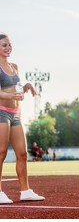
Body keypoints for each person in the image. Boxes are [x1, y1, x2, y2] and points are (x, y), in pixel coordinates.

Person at [0, 33, 45, 204]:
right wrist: (11, 94)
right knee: (1, 152)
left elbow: (17, 87)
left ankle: (25, 191)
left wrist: (26, 86)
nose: (8, 48)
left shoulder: (15, 66)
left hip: (16, 114)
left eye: (9, 45)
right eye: (4, 45)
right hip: (1, 112)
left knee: (22, 153)